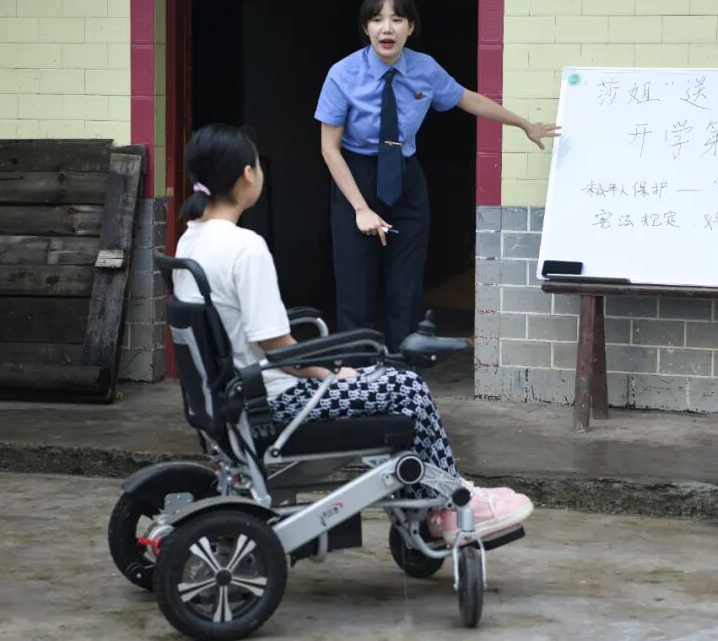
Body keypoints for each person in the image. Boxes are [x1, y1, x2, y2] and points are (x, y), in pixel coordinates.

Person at [173, 124, 533, 543]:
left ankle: (429, 500)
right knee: (407, 386)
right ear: (248, 175)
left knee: (383, 383)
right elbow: (275, 344)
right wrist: (329, 373)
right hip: (273, 401)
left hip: (232, 397)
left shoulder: (190, 241)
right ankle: (451, 502)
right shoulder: (244, 247)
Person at [316, 0, 559, 351]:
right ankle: (357, 369)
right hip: (356, 177)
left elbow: (469, 99)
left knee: (406, 283)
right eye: (377, 20)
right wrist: (361, 209)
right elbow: (329, 149)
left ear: (411, 27)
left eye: (397, 19)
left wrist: (523, 124)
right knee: (356, 283)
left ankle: (406, 366)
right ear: (366, 27)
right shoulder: (343, 74)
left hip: (405, 176)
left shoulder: (424, 69)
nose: (387, 29)